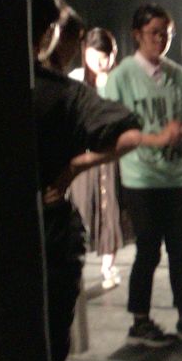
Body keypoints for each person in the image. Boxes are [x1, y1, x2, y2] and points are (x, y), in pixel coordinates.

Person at [29, 0, 181, 361]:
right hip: (45, 237)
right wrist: (74, 164)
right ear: (47, 33)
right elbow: (120, 130)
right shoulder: (58, 92)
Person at [102, 3, 182, 347]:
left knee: (180, 250)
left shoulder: (177, 75)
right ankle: (140, 319)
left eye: (167, 34)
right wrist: (155, 138)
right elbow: (112, 130)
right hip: (142, 179)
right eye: (154, 33)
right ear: (137, 35)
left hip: (177, 177)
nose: (161, 40)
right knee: (148, 249)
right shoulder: (121, 77)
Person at [67, 28, 131, 288]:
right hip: (84, 155)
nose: (101, 62)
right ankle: (79, 265)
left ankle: (108, 267)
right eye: (96, 56)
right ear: (85, 53)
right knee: (83, 209)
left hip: (111, 155)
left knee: (110, 209)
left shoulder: (117, 80)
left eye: (106, 56)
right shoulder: (75, 79)